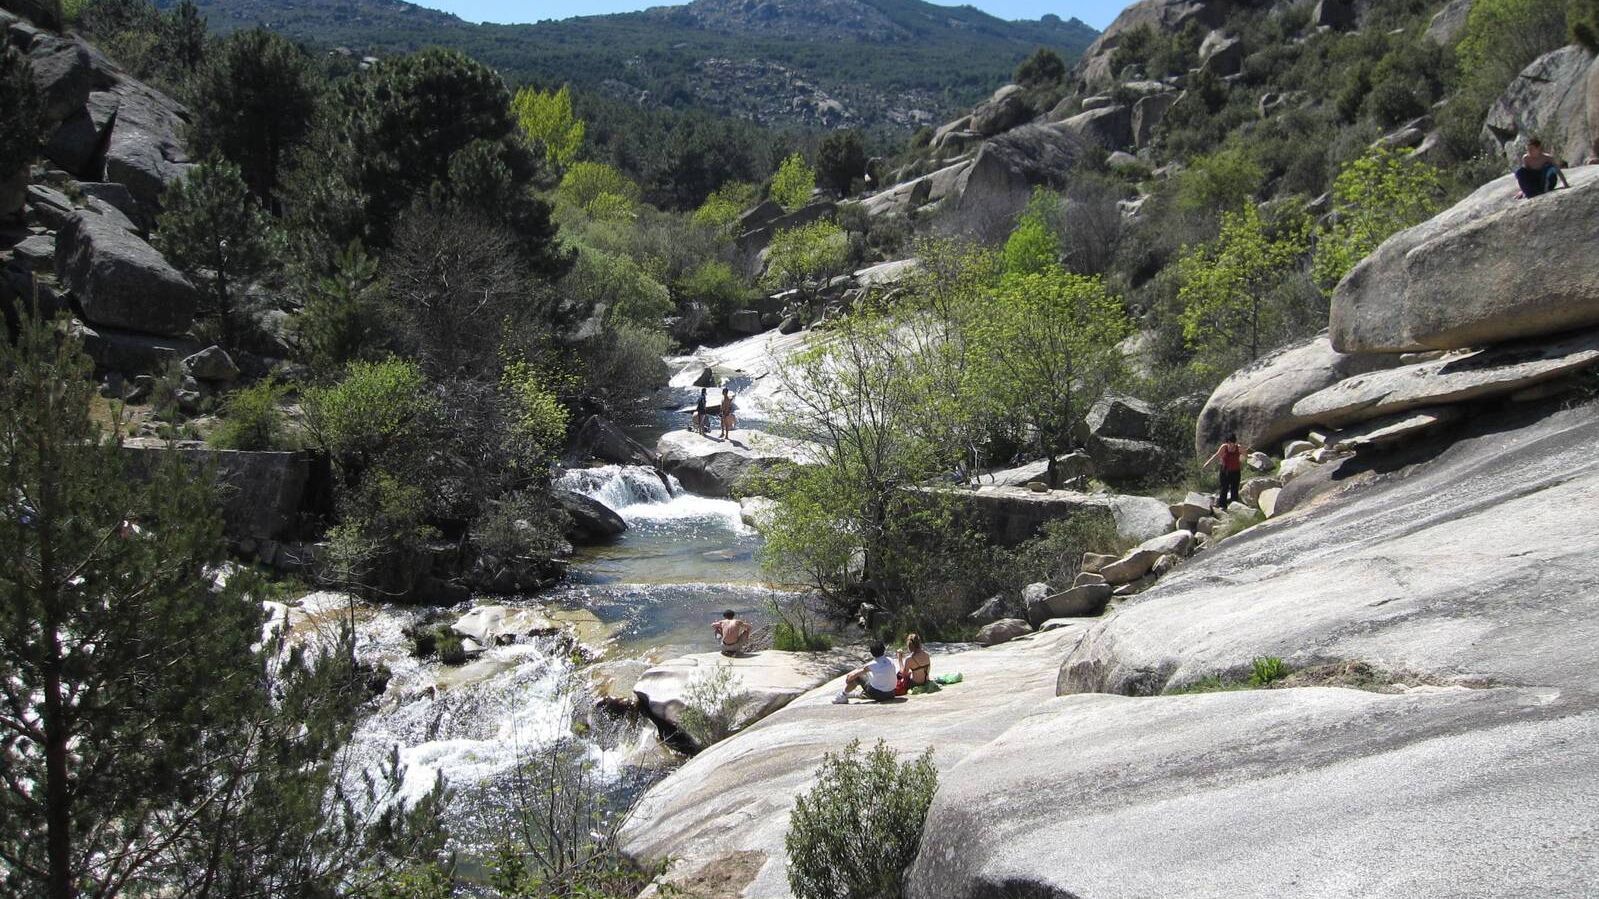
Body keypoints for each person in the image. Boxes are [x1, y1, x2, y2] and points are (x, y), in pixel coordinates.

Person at [834, 642, 898, 703]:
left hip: (880, 695)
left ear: (871, 652)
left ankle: (843, 695)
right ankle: (858, 694)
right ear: (883, 650)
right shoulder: (890, 660)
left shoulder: (872, 664)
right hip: (892, 693)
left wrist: (849, 678)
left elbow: (851, 677)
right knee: (873, 677)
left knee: (858, 677)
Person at [1203, 432, 1248, 511]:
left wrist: (1241, 461)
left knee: (1234, 488)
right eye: (1229, 442)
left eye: (1232, 443)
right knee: (1224, 488)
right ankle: (1222, 506)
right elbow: (1216, 455)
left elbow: (1245, 455)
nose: (1230, 445)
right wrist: (1208, 463)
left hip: (1236, 471)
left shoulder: (1239, 448)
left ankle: (1234, 506)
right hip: (1225, 471)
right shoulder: (1224, 447)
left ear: (1235, 442)